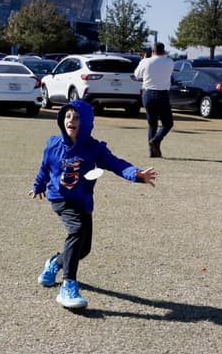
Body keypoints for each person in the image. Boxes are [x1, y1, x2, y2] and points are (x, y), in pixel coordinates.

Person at [30, 100, 158, 310]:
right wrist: (38, 186)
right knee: (77, 229)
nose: (71, 121)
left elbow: (117, 164)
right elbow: (45, 167)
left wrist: (136, 174)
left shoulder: (94, 149)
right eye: (67, 116)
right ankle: (68, 286)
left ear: (87, 122)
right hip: (60, 198)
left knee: (83, 249)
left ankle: (55, 263)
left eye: (76, 117)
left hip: (82, 200)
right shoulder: (53, 144)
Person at [133, 42, 174, 158]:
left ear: (152, 51)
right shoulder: (170, 62)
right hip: (162, 94)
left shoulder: (146, 62)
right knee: (167, 123)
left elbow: (137, 75)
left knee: (152, 124)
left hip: (147, 94)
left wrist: (143, 60)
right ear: (163, 50)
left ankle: (152, 150)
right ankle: (156, 141)